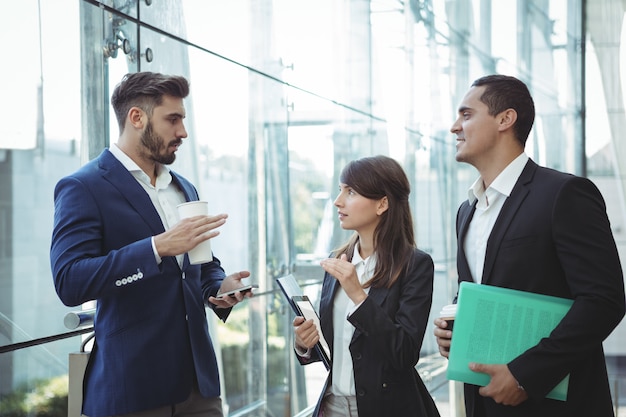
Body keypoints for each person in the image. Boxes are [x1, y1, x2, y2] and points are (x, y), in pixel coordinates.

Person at [50, 72, 252, 417]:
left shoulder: (184, 188)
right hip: (132, 388)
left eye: (183, 120)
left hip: (199, 388)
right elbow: (70, 281)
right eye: (173, 120)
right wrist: (156, 247)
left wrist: (219, 287)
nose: (183, 132)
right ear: (137, 117)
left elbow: (200, 264)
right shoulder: (83, 187)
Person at [433, 74, 626, 417]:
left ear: (505, 119)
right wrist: (455, 327)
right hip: (485, 401)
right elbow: (482, 291)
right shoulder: (467, 210)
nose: (454, 127)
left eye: (466, 115)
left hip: (556, 405)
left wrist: (525, 375)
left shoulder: (564, 194)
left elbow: (604, 300)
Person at [293, 155, 441, 417]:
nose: (338, 201)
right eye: (340, 190)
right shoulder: (339, 260)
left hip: (387, 408)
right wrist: (304, 344)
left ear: (382, 203)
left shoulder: (414, 265)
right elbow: (336, 345)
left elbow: (404, 354)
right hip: (333, 406)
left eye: (350, 192)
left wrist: (359, 297)